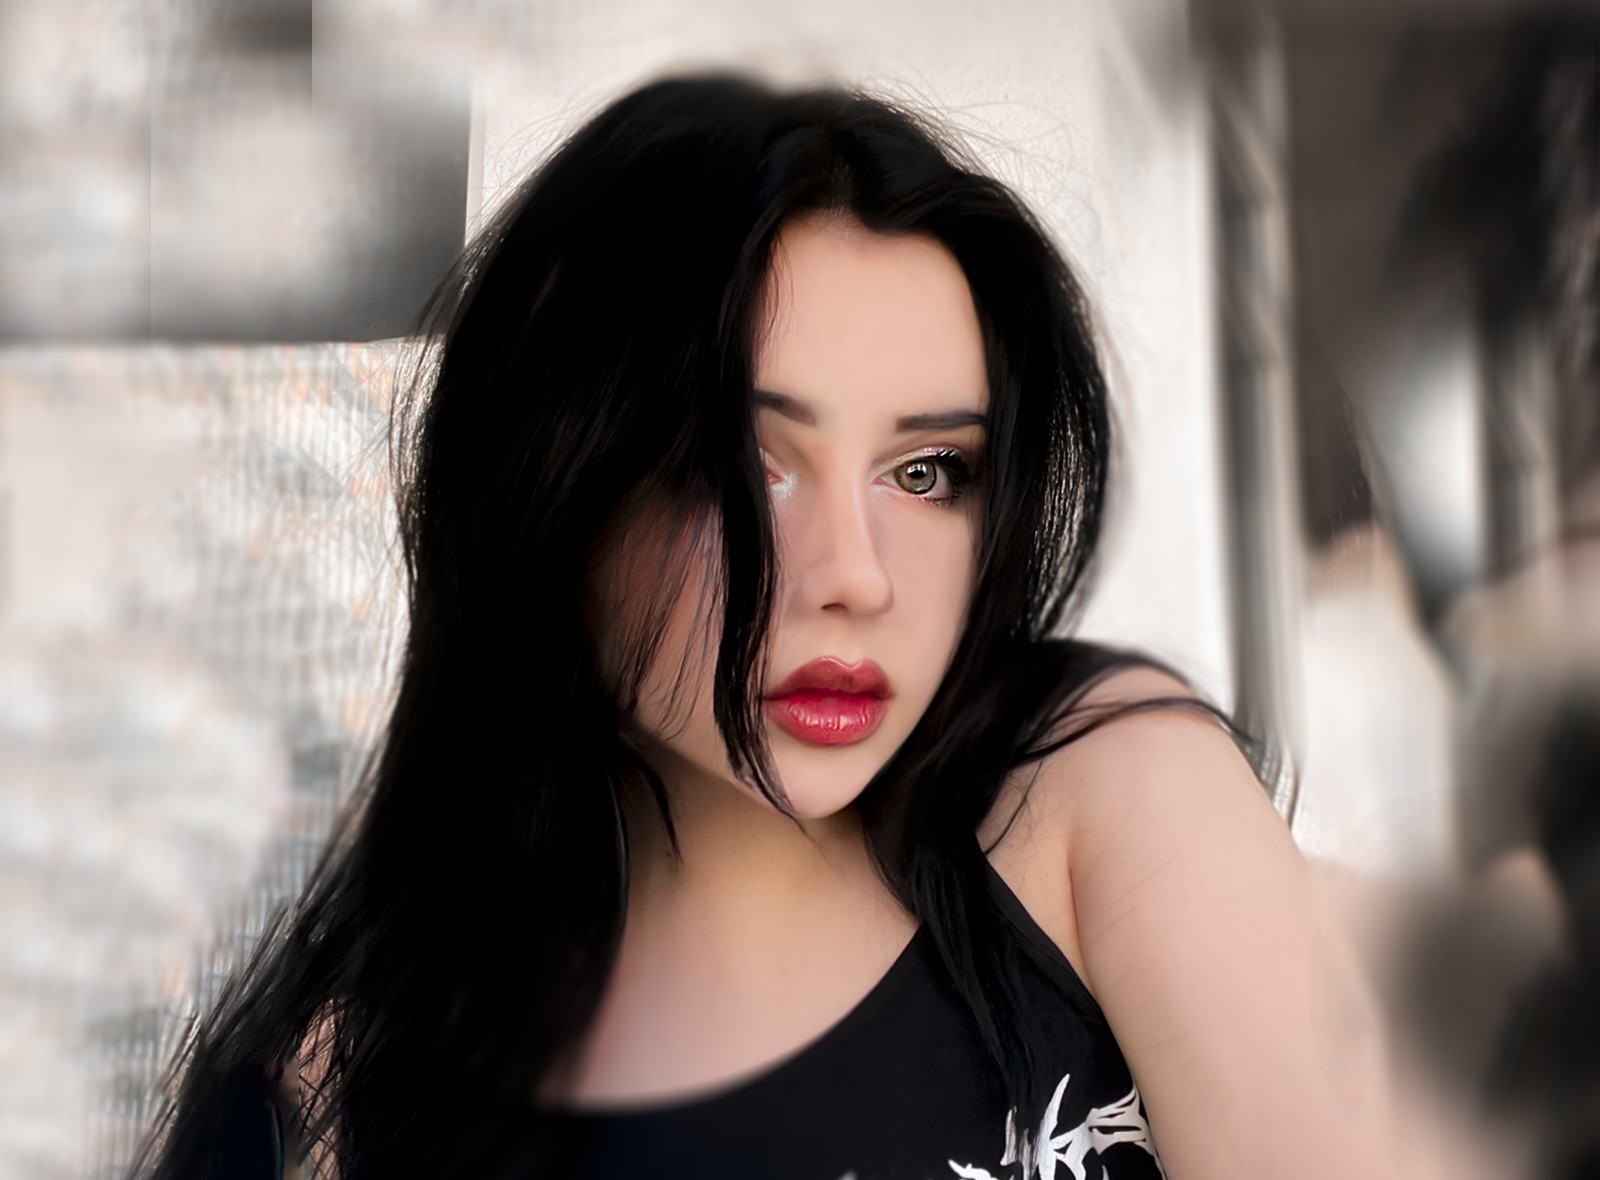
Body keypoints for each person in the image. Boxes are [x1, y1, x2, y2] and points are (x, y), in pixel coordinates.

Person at [129, 69, 1399, 1180]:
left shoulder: (1092, 786)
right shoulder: (364, 1071)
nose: (857, 577)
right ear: (556, 487)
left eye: (926, 473)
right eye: (744, 466)